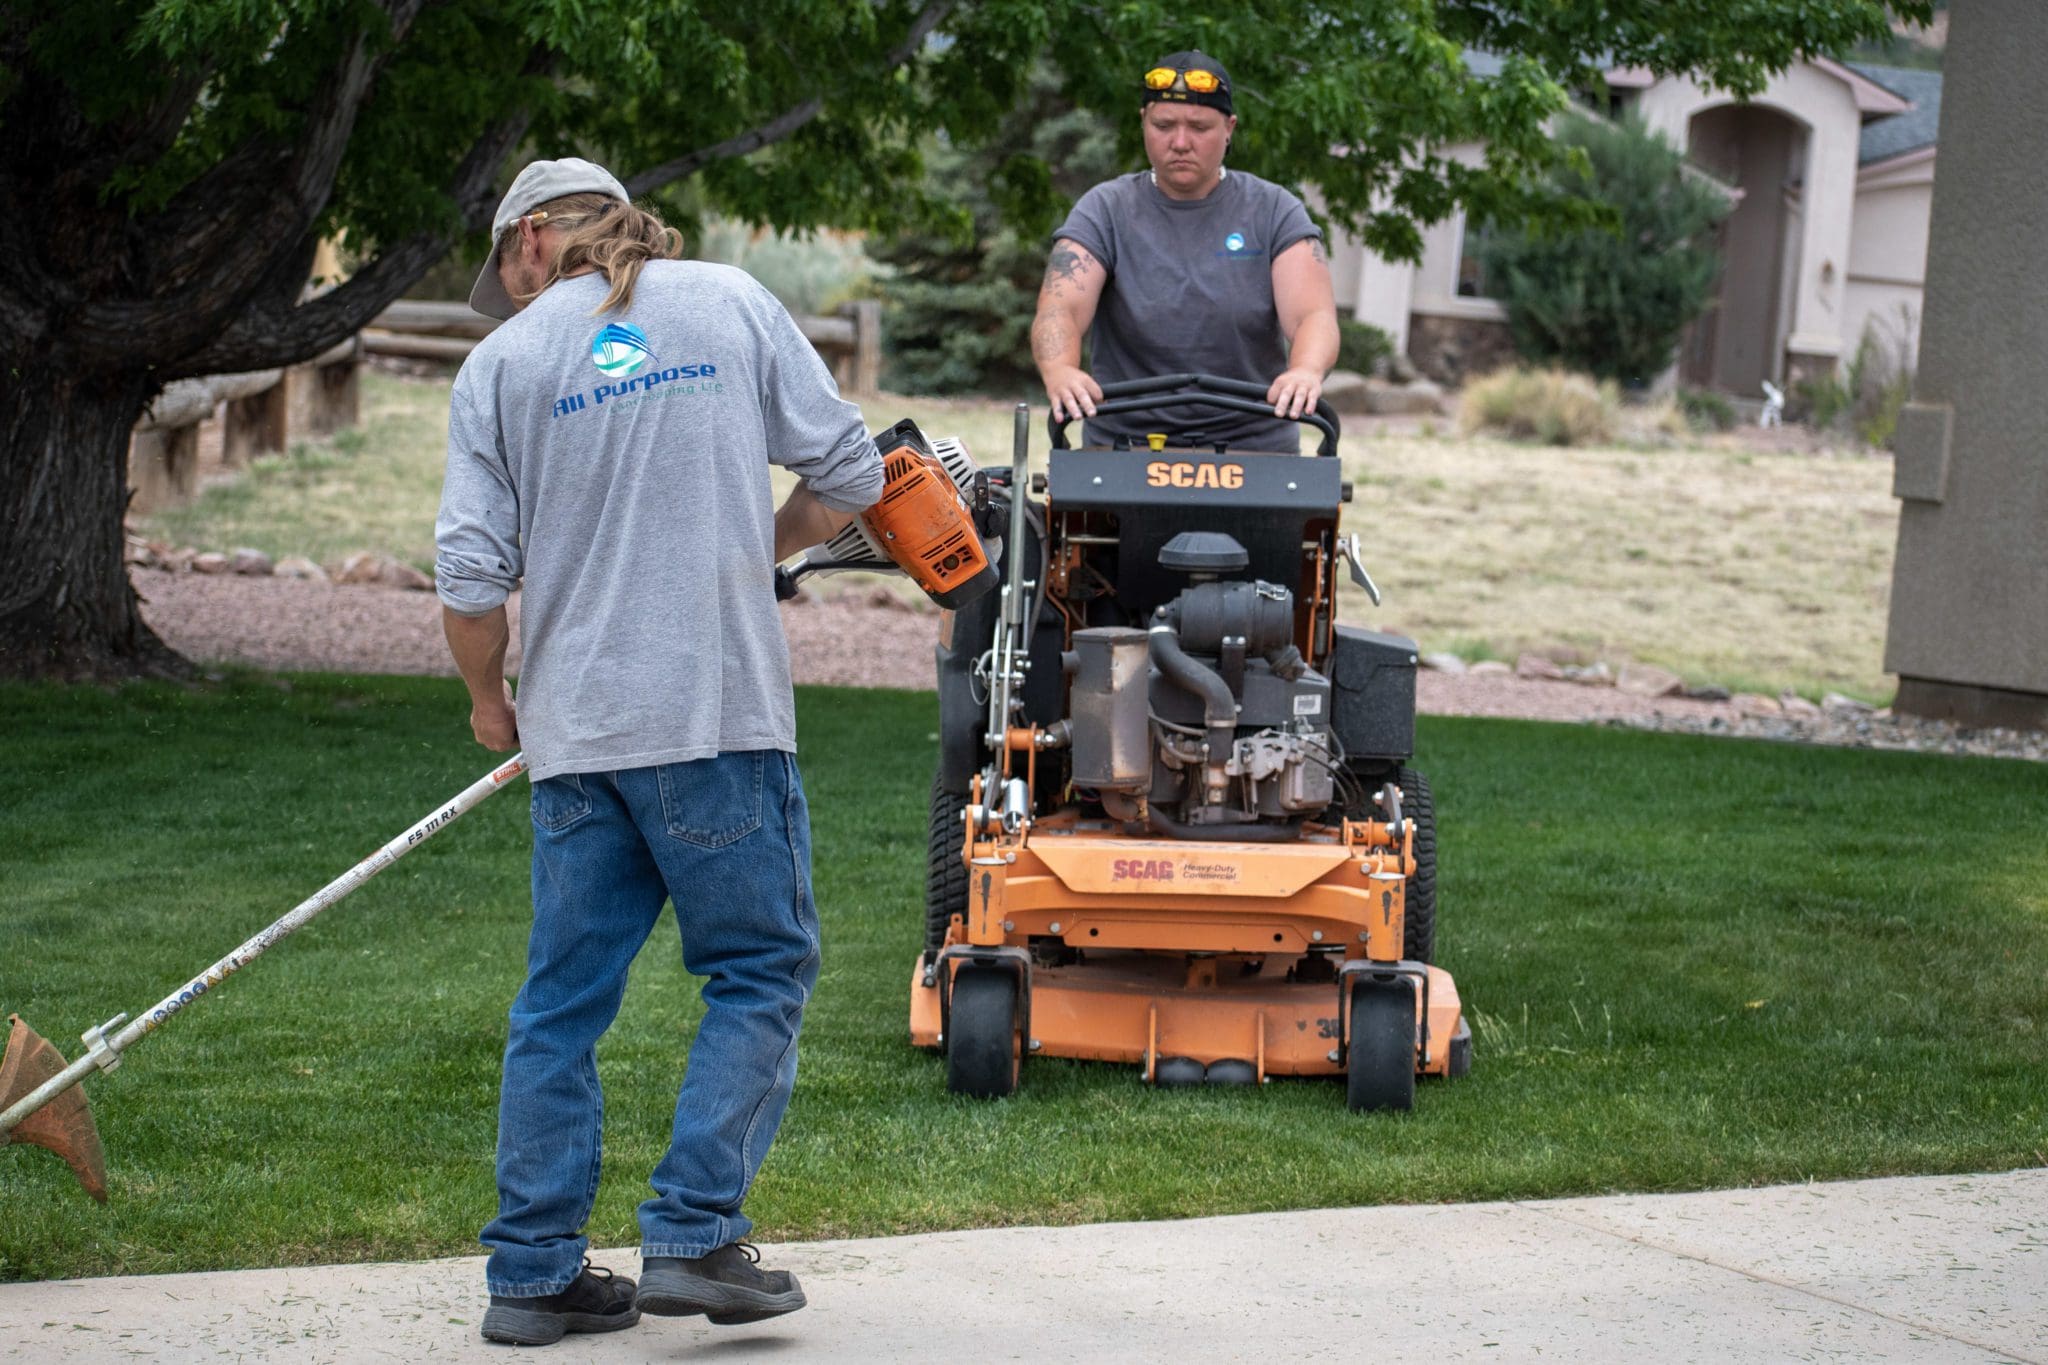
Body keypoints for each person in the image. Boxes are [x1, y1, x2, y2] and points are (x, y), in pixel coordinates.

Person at [434, 156, 883, 1347]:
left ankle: (531, 1276)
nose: (508, 288)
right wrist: (762, 541)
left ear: (531, 239)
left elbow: (472, 580)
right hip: (716, 722)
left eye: (505, 268)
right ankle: (692, 1234)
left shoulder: (499, 364)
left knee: (561, 1006)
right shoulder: (729, 302)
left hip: (578, 740)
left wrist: (491, 704)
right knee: (757, 970)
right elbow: (852, 477)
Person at [1030, 50, 1340, 453]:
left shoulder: (1276, 210)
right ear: (1143, 122)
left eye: (1199, 127)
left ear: (1229, 129)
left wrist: (1306, 371)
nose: (1180, 142)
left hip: (1255, 446)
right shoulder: (1104, 209)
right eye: (1163, 125)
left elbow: (1312, 314)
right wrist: (1060, 372)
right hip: (1123, 447)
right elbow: (1060, 308)